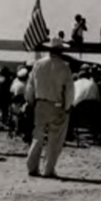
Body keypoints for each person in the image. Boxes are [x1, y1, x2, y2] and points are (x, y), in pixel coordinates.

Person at [25, 37, 75, 177]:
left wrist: (30, 101)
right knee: (55, 139)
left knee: (37, 136)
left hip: (40, 104)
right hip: (56, 105)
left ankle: (32, 166)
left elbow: (30, 86)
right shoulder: (65, 67)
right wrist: (67, 106)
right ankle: (48, 169)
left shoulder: (38, 64)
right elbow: (69, 90)